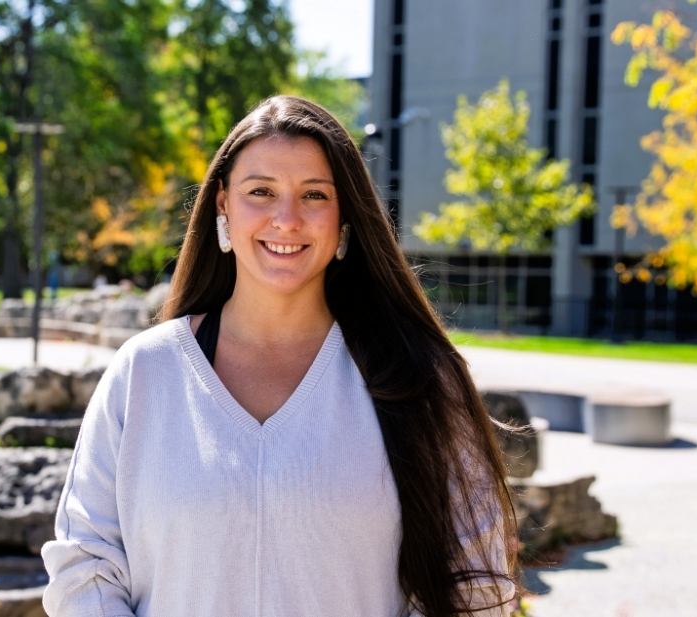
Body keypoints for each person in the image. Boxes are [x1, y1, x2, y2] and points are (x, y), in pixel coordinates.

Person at [41, 95, 518, 617]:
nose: (286, 219)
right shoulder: (143, 374)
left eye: (314, 194)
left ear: (344, 220)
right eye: (260, 192)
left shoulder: (420, 379)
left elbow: (475, 584)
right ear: (223, 205)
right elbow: (85, 566)